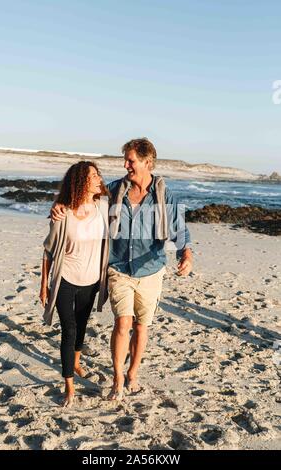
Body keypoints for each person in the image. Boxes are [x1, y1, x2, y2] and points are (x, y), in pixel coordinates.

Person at [51, 138, 193, 400]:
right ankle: (118, 378)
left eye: (131, 160)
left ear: (147, 162)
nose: (125, 164)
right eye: (125, 160)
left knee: (141, 327)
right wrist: (60, 205)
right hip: (118, 269)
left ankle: (133, 374)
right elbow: (82, 197)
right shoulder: (115, 190)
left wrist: (186, 253)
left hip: (151, 269)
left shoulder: (164, 194)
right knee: (122, 322)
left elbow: (179, 228)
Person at [40, 161, 109, 407]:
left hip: (91, 281)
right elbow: (48, 250)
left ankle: (77, 362)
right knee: (68, 331)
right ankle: (69, 386)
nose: (99, 178)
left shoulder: (103, 206)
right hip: (65, 278)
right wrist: (44, 286)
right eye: (93, 175)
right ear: (81, 181)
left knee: (81, 326)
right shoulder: (63, 213)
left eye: (99, 174)